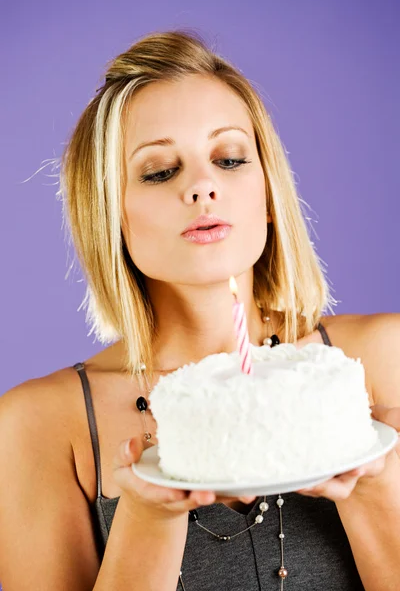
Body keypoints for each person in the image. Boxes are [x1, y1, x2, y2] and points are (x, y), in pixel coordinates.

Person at [0, 29, 399, 591]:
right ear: (112, 218)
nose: (203, 186)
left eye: (230, 158)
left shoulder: (382, 362)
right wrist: (148, 515)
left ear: (266, 193)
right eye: (160, 171)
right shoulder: (39, 426)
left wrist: (376, 483)